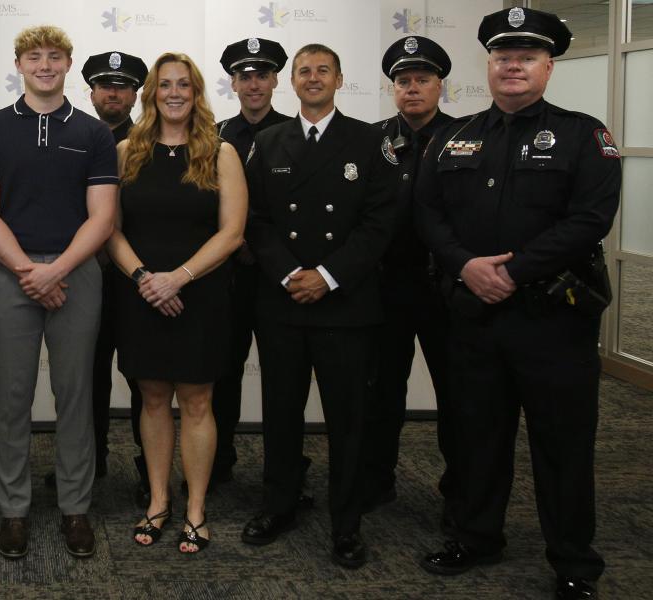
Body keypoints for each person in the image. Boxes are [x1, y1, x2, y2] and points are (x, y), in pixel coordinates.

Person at [415, 9, 620, 599]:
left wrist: (512, 271)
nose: (513, 65)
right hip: (475, 317)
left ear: (548, 67)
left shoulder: (585, 134)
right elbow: (428, 213)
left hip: (553, 318)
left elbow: (589, 220)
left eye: (527, 56)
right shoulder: (455, 135)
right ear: (489, 65)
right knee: (477, 436)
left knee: (563, 446)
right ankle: (476, 536)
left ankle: (574, 561)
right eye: (504, 55)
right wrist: (465, 266)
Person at [240, 43, 396, 570]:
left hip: (345, 304)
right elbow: (255, 221)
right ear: (292, 80)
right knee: (280, 413)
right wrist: (289, 273)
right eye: (303, 71)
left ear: (339, 79)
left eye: (322, 70)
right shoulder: (267, 142)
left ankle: (346, 523)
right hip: (283, 300)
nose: (312, 78)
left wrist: (327, 276)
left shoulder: (370, 141)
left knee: (348, 421)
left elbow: (380, 224)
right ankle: (278, 505)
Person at [0, 25, 118, 560]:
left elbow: (102, 218)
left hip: (77, 273)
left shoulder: (95, 134)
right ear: (19, 65)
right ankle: (13, 511)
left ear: (69, 64)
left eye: (55, 56)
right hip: (10, 274)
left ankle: (76, 507)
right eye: (35, 57)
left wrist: (58, 271)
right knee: (11, 399)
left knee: (77, 397)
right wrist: (29, 271)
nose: (45, 65)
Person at [107, 52, 246, 553]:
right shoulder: (126, 152)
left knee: (198, 401)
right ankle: (158, 502)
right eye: (164, 84)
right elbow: (110, 229)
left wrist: (179, 279)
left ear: (196, 91)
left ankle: (195, 509)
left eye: (183, 85)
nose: (173, 93)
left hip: (201, 296)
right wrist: (146, 279)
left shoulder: (221, 152)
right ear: (151, 92)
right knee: (152, 399)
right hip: (141, 294)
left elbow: (232, 233)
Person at [362, 35, 457, 523]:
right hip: (387, 285)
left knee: (457, 393)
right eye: (403, 81)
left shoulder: (469, 137)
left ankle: (460, 488)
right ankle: (376, 480)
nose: (412, 88)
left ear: (440, 85)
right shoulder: (373, 139)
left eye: (422, 79)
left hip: (447, 287)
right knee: (381, 390)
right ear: (393, 88)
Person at [211, 37, 294, 491]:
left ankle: (285, 470)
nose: (254, 84)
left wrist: (263, 250)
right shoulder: (216, 136)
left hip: (278, 276)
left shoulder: (297, 132)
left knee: (284, 378)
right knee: (224, 373)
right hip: (226, 278)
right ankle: (219, 461)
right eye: (245, 76)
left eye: (262, 74)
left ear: (275, 79)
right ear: (234, 83)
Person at [76, 50, 148, 497]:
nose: (114, 93)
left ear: (136, 94)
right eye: (106, 85)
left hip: (138, 277)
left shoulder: (154, 142)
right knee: (87, 374)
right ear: (92, 93)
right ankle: (91, 461)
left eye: (122, 86)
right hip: (87, 274)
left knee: (144, 378)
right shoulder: (75, 139)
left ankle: (148, 467)